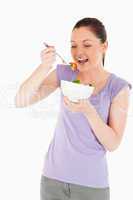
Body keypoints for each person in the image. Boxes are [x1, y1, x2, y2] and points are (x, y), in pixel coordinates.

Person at [15, 17, 132, 200]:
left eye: (87, 45)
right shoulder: (65, 73)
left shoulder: (118, 87)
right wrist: (44, 66)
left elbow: (113, 144)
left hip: (91, 186)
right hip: (52, 180)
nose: (78, 52)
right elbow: (21, 100)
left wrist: (88, 110)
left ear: (104, 46)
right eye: (73, 45)